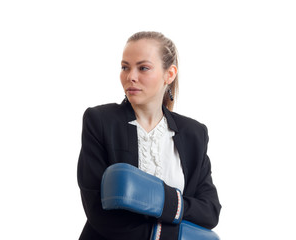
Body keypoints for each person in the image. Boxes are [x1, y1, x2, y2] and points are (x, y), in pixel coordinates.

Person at [77, 31, 221, 240]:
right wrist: (168, 231)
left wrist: (158, 200)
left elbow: (209, 212)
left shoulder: (194, 133)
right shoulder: (100, 121)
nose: (130, 76)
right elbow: (98, 212)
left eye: (143, 68)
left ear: (169, 74)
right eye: (125, 67)